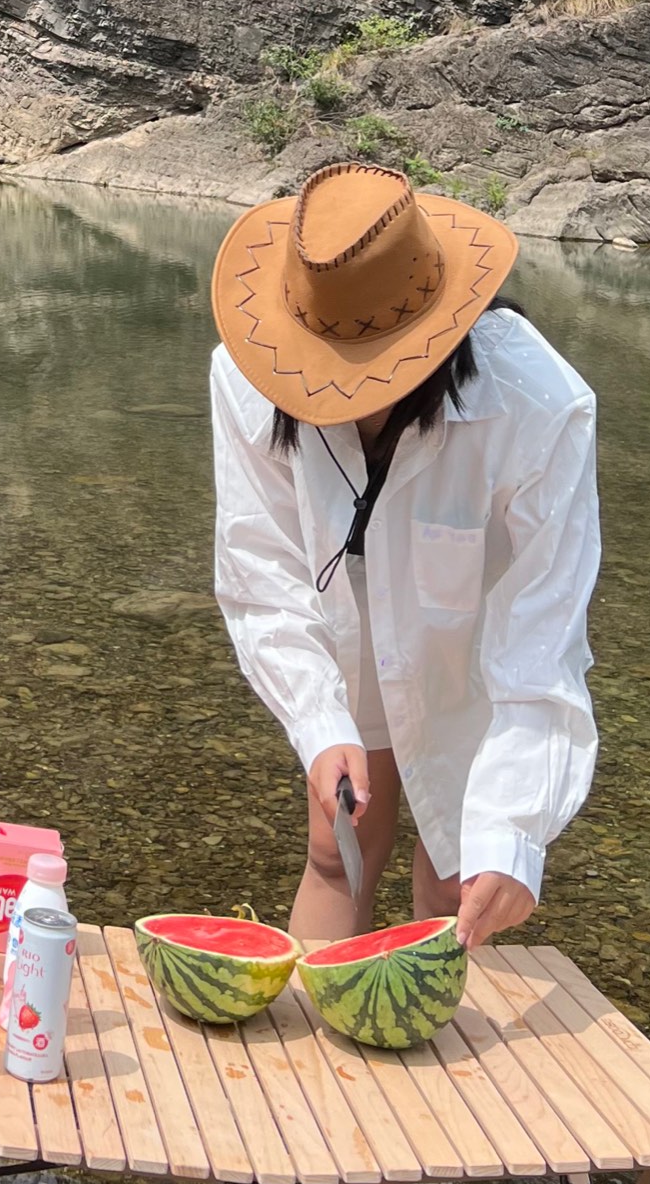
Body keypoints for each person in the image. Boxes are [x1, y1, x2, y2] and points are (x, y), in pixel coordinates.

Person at [209, 161, 600, 949]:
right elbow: (263, 574)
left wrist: (515, 830)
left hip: (471, 651)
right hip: (345, 623)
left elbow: (541, 639)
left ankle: (430, 1049)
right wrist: (318, 722)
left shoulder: (541, 405)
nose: (338, 393)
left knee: (464, 870)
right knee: (338, 843)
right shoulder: (249, 375)